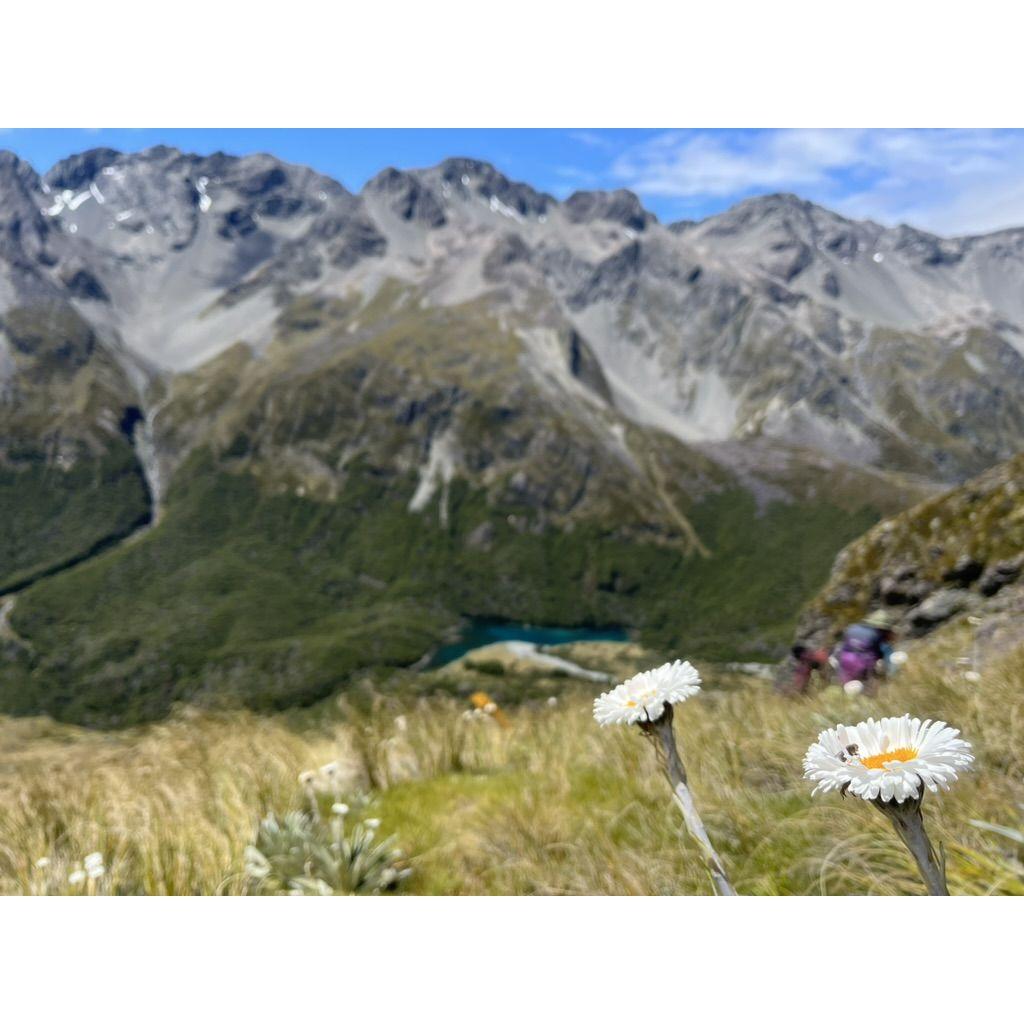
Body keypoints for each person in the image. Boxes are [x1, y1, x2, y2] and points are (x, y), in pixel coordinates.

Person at [834, 609, 897, 695]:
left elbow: (841, 647)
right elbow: (886, 657)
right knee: (867, 692)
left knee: (848, 690)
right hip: (864, 667)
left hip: (845, 664)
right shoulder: (878, 636)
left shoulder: (852, 628)